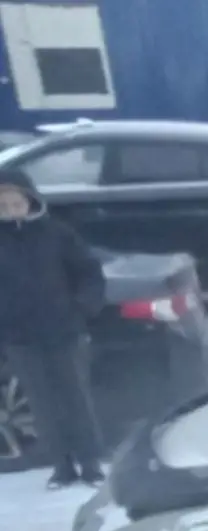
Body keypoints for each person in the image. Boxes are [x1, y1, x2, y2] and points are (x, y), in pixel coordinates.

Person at [0, 167, 106, 488]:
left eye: (16, 203)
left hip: (64, 332)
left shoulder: (57, 234)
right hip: (19, 338)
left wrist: (82, 308)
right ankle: (62, 467)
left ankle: (90, 464)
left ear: (30, 201)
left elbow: (89, 273)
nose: (10, 210)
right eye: (3, 205)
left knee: (77, 400)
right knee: (43, 405)